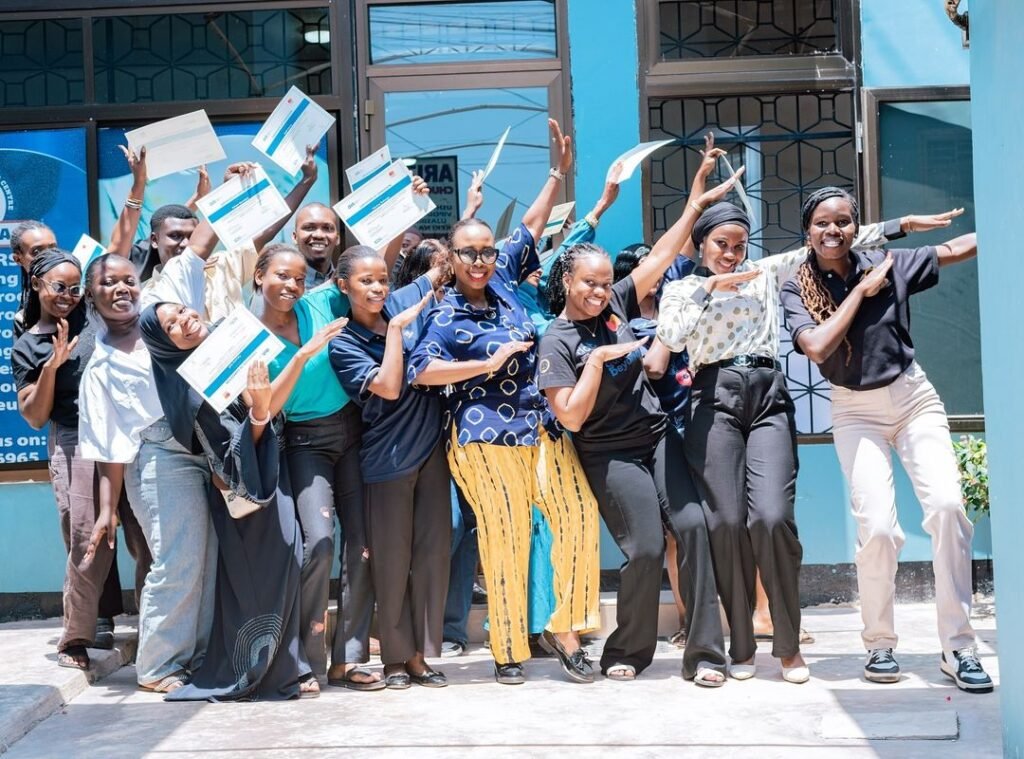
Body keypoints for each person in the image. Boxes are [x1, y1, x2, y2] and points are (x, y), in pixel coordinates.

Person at [408, 119, 601, 686]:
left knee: (578, 514)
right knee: (507, 533)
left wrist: (555, 174)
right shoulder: (442, 312)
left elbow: (532, 226)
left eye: (487, 252)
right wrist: (483, 365)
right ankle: (508, 648)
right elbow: (422, 371)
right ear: (452, 257)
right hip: (482, 434)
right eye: (468, 253)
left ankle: (562, 625)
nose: (480, 261)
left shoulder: (504, 278)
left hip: (539, 427)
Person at [780, 187, 993, 694]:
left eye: (843, 222)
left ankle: (958, 647)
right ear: (807, 230)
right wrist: (861, 292)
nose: (833, 231)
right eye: (822, 223)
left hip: (913, 397)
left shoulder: (888, 262)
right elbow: (815, 346)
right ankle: (879, 642)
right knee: (876, 529)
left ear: (857, 226)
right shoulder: (795, 287)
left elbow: (953, 250)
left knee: (947, 509)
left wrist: (1005, 226)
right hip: (855, 410)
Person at [537, 156, 738, 686]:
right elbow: (572, 418)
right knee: (646, 549)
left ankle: (706, 657)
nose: (601, 292)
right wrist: (599, 363)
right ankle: (627, 649)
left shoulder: (618, 305)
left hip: (654, 438)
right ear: (567, 280)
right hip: (607, 452)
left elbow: (667, 251)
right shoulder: (557, 342)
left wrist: (695, 203)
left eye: (606, 283)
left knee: (694, 529)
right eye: (589, 284)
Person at [132, 296, 338, 699]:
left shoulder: (230, 350)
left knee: (289, 565)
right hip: (248, 496)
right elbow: (236, 450)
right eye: (172, 324)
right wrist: (268, 401)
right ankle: (255, 669)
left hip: (272, 476)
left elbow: (264, 405)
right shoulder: (193, 388)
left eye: (183, 310)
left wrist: (300, 359)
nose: (186, 320)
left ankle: (287, 665)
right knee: (255, 579)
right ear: (163, 343)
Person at [12, 249, 150, 671]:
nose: (68, 296)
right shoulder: (29, 343)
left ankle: (157, 630)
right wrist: (52, 367)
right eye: (59, 287)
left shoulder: (96, 317)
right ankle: (75, 637)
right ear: (37, 285)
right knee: (88, 540)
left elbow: (118, 258)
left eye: (75, 288)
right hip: (77, 441)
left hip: (129, 433)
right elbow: (35, 416)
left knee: (146, 538)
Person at [328, 246, 452, 689]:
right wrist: (396, 333)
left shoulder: (402, 305)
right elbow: (389, 386)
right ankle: (396, 660)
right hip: (387, 460)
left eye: (382, 279)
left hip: (431, 452)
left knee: (433, 555)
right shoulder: (343, 342)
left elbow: (440, 271)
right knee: (393, 563)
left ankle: (420, 656)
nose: (378, 288)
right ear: (344, 286)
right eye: (365, 281)